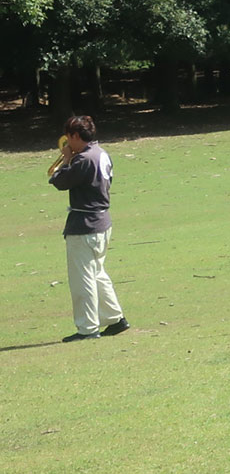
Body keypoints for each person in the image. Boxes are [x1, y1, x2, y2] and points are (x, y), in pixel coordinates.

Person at [49, 114, 129, 342]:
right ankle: (115, 319)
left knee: (82, 278)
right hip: (102, 222)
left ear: (75, 136)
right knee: (97, 274)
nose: (67, 144)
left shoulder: (83, 159)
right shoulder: (101, 153)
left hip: (85, 225)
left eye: (68, 138)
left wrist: (65, 161)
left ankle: (87, 329)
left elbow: (59, 182)